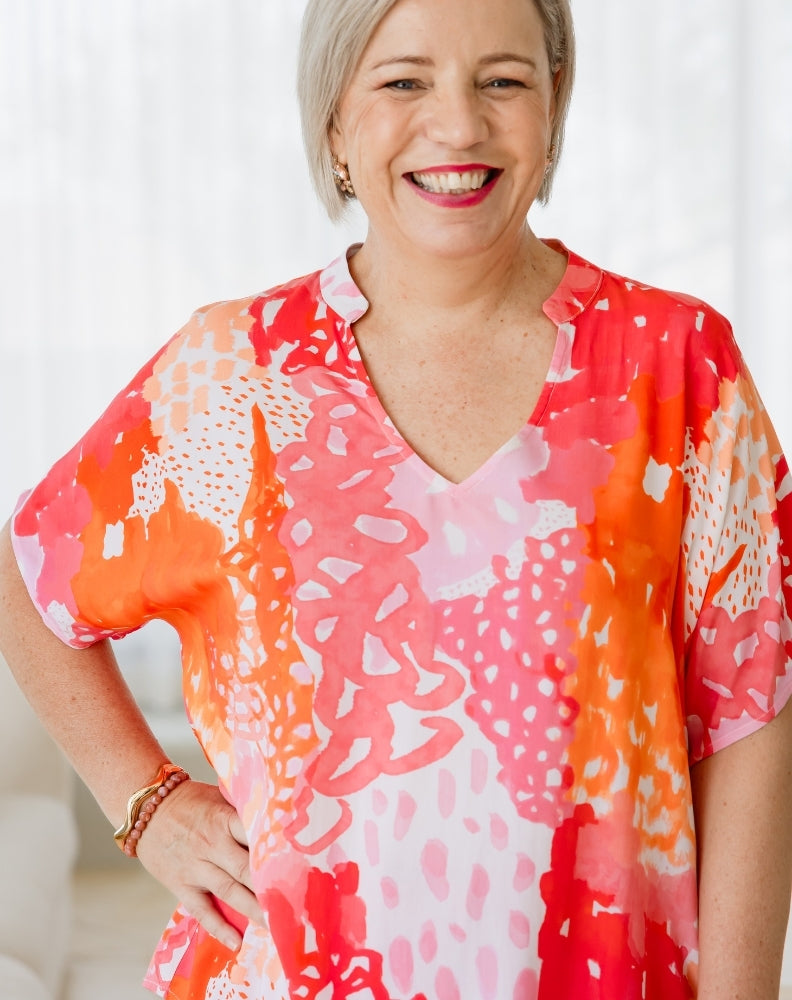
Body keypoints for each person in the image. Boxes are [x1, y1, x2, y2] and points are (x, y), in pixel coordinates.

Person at [1, 0, 791, 996]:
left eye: (502, 80)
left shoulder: (680, 368)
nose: (458, 126)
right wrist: (145, 801)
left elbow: (751, 719)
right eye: (403, 81)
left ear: (554, 107)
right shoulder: (233, 372)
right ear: (334, 125)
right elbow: (29, 579)